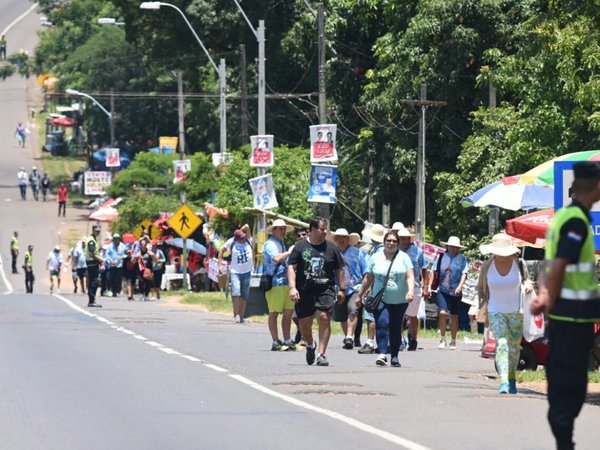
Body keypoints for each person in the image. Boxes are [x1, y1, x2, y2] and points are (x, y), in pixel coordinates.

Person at [530, 161, 600, 450]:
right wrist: (547, 297)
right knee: (569, 388)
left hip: (569, 319)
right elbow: (559, 265)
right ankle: (564, 444)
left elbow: (550, 264)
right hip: (574, 320)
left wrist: (546, 293)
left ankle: (564, 442)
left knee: (564, 384)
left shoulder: (562, 218)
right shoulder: (575, 222)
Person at [477, 234, 533, 394]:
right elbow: (480, 288)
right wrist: (477, 307)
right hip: (495, 311)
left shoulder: (519, 264)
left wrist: (529, 285)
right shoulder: (487, 266)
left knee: (514, 348)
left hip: (517, 312)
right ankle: (503, 380)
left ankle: (512, 376)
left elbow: (527, 280)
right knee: (501, 343)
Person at [288, 217, 345, 366]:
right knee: (304, 323)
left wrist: (342, 289)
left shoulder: (331, 248)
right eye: (322, 229)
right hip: (304, 290)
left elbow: (339, 269)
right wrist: (292, 288)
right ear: (313, 229)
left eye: (326, 229)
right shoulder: (300, 247)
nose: (325, 232)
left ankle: (321, 354)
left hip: (325, 289)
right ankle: (310, 344)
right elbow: (291, 268)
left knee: (324, 317)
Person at [356, 230, 414, 367]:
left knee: (395, 326)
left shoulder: (404, 257)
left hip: (400, 299)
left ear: (398, 243)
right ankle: (382, 353)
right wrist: (359, 295)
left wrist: (410, 291)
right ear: (384, 242)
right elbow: (368, 277)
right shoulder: (375, 257)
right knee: (382, 323)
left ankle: (394, 356)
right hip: (380, 298)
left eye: (394, 241)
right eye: (389, 240)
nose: (391, 243)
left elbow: (410, 276)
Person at [330, 228, 368, 350]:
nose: (341, 240)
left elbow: (366, 271)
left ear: (348, 239)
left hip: (355, 287)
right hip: (338, 288)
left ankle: (349, 337)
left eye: (344, 237)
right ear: (335, 240)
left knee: (353, 309)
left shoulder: (358, 252)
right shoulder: (332, 253)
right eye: (339, 237)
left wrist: (366, 287)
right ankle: (348, 336)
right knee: (341, 315)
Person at [430, 236, 468, 350]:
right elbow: (433, 270)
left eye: (455, 247)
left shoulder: (462, 259)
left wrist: (460, 286)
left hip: (455, 291)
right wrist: (429, 285)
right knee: (442, 313)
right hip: (442, 289)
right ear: (447, 246)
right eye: (451, 246)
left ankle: (453, 340)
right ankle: (442, 338)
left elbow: (464, 274)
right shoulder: (441, 257)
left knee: (455, 316)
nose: (453, 249)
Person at [263, 219, 295, 351]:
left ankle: (287, 339)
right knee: (274, 312)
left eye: (284, 229)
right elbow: (276, 259)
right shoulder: (270, 244)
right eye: (280, 229)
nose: (283, 231)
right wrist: (289, 252)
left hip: (286, 282)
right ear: (274, 230)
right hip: (275, 282)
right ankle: (275, 340)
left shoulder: (282, 244)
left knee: (288, 313)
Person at [356, 223, 387, 354]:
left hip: (375, 287)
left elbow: (372, 272)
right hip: (380, 286)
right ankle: (383, 342)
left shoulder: (377, 252)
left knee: (371, 315)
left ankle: (370, 341)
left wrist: (367, 287)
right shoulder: (379, 250)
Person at [397, 227, 429, 351]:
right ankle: (399, 339)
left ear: (410, 239)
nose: (404, 241)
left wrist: (425, 287)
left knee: (412, 315)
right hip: (398, 286)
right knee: (399, 315)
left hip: (414, 286)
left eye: (406, 238)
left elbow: (424, 268)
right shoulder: (395, 251)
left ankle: (413, 338)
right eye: (402, 239)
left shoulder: (417, 251)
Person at [218, 224, 253, 323]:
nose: (243, 239)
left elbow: (246, 226)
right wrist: (220, 266)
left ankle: (242, 316)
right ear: (236, 238)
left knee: (244, 294)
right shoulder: (232, 242)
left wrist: (240, 231)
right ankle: (236, 315)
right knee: (236, 292)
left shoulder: (248, 240)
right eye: (241, 238)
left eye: (243, 236)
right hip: (235, 271)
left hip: (247, 271)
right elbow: (221, 252)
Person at [85, 225, 103, 307]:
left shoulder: (94, 239)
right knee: (94, 282)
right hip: (92, 263)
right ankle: (91, 301)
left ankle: (92, 300)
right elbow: (91, 254)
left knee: (94, 281)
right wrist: (99, 260)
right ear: (92, 230)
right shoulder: (91, 241)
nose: (98, 232)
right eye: (96, 231)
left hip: (93, 263)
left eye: (99, 231)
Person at [105, 233, 126, 298]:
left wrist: (121, 257)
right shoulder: (110, 246)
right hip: (112, 265)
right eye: (115, 239)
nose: (116, 240)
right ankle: (113, 291)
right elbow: (107, 254)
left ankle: (118, 291)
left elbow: (126, 254)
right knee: (112, 279)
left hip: (119, 265)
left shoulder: (123, 246)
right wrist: (110, 260)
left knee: (118, 279)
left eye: (117, 239)